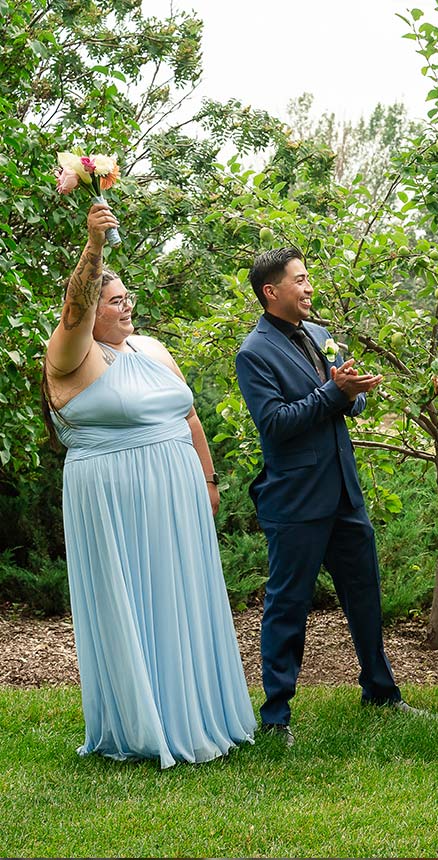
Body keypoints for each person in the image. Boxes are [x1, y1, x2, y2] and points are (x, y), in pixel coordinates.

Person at [43, 203, 255, 768]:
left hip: (176, 492)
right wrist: (95, 247)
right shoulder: (71, 355)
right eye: (115, 300)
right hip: (112, 497)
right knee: (133, 598)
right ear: (92, 312)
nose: (127, 305)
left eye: (127, 297)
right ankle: (141, 723)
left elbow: (187, 418)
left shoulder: (152, 349)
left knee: (179, 596)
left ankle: (195, 709)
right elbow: (73, 311)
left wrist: (208, 480)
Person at [236, 247, 422, 746]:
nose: (309, 287)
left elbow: (351, 403)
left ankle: (381, 692)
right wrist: (332, 394)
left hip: (344, 492)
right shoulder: (253, 353)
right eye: (299, 280)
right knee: (287, 606)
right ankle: (275, 718)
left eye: (309, 277)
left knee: (365, 594)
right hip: (294, 499)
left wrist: (354, 389)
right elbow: (274, 424)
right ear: (271, 292)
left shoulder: (320, 335)